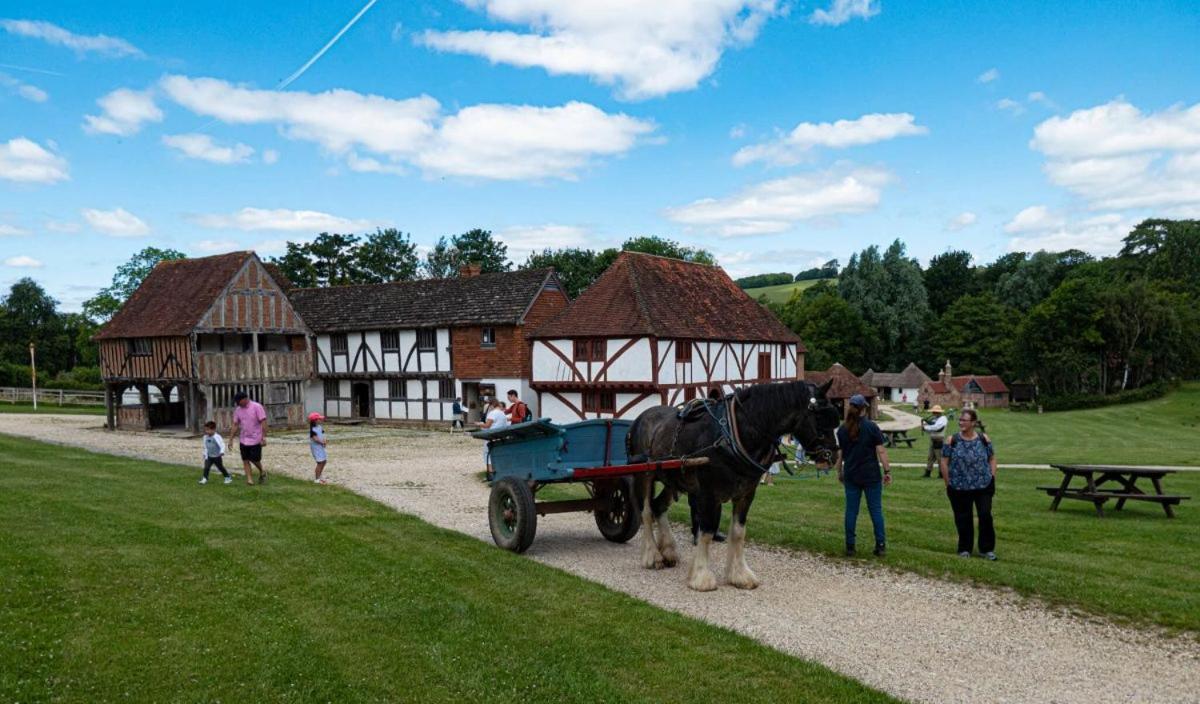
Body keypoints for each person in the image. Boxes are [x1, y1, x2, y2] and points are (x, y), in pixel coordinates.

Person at [835, 394, 891, 557]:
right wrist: (887, 471)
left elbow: (840, 454)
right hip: (871, 475)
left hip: (851, 474)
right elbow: (881, 450)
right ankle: (880, 545)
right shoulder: (872, 427)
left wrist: (839, 472)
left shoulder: (842, 430)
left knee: (851, 511)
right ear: (863, 409)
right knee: (875, 511)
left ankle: (850, 546)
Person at [940, 408, 998, 560]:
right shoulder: (952, 440)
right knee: (963, 518)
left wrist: (992, 477)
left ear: (973, 423)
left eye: (964, 420)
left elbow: (992, 458)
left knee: (985, 515)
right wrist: (948, 483)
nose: (961, 422)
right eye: (960, 420)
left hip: (983, 485)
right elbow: (944, 462)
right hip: (959, 487)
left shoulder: (983, 438)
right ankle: (964, 548)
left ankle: (986, 549)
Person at [230, 391, 268, 485]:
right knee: (245, 459)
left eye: (239, 401)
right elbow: (235, 424)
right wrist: (231, 439)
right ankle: (249, 480)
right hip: (243, 439)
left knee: (255, 459)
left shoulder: (257, 407)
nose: (237, 403)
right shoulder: (238, 410)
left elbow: (263, 422)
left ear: (245, 399)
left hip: (256, 438)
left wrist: (263, 437)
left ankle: (262, 471)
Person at [477, 397, 510, 480]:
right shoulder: (502, 414)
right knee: (497, 454)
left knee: (487, 454)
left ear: (491, 405)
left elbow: (487, 425)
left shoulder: (493, 413)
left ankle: (490, 473)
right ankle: (499, 471)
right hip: (500, 436)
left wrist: (479, 424)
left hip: (491, 436)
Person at [199, 421, 232, 485]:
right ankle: (205, 478)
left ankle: (227, 477)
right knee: (206, 467)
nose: (206, 431)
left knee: (220, 467)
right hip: (209, 456)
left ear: (213, 429)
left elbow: (222, 444)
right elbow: (205, 446)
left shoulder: (217, 437)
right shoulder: (205, 437)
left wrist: (222, 451)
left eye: (208, 430)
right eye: (205, 430)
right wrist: (205, 453)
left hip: (217, 456)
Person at [922, 405, 948, 478]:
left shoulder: (943, 419)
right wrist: (926, 427)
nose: (933, 413)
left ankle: (941, 474)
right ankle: (928, 472)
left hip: (939, 440)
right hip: (933, 440)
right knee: (930, 457)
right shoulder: (935, 419)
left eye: (935, 412)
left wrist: (926, 427)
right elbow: (931, 430)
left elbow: (937, 428)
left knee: (939, 458)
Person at [309, 412, 328, 484]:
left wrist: (325, 441)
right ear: (315, 420)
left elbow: (323, 434)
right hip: (316, 448)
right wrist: (322, 442)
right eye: (319, 419)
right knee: (320, 462)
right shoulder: (312, 430)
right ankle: (317, 479)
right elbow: (315, 439)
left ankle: (320, 476)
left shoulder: (320, 427)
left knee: (324, 461)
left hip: (321, 447)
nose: (320, 420)